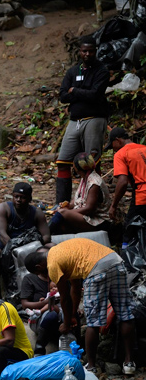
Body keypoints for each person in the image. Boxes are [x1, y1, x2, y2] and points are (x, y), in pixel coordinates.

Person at [41, 239, 135, 374]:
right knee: (125, 315)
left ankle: (91, 366)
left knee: (93, 322)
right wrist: (73, 314)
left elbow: (65, 298)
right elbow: (76, 287)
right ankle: (129, 363)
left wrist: (66, 323)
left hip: (96, 270)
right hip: (116, 261)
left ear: (38, 267)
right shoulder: (66, 251)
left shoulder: (52, 264)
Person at [55, 36, 109, 206]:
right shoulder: (73, 71)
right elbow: (63, 96)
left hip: (94, 119)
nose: (87, 54)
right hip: (74, 121)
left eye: (90, 51)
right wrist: (79, 93)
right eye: (84, 51)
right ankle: (62, 203)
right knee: (63, 161)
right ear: (79, 51)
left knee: (91, 163)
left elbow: (95, 95)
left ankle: (93, 203)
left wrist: (75, 91)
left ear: (95, 51)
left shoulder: (101, 70)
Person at [0, 182, 51, 287]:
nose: (18, 200)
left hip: (29, 249)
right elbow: (2, 234)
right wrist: (16, 249)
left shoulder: (37, 213)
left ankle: (49, 283)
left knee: (51, 247)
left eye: (23, 197)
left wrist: (31, 246)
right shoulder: (3, 208)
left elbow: (46, 237)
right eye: (16, 196)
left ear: (29, 199)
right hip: (5, 249)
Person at [49, 152, 111, 235]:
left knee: (62, 213)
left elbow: (89, 209)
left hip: (97, 221)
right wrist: (68, 206)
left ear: (77, 168)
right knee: (61, 222)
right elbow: (77, 200)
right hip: (86, 216)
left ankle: (42, 235)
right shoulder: (85, 178)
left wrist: (68, 212)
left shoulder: (94, 183)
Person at [107, 127, 146, 242]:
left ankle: (126, 257)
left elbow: (123, 181)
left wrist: (113, 205)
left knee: (129, 230)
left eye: (112, 145)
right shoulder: (144, 148)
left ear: (118, 140)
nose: (113, 149)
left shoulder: (121, 154)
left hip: (142, 196)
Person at [23, 248, 61, 356]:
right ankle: (39, 350)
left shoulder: (58, 274)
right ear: (38, 267)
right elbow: (25, 304)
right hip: (41, 318)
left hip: (61, 313)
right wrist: (45, 302)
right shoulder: (30, 279)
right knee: (52, 312)